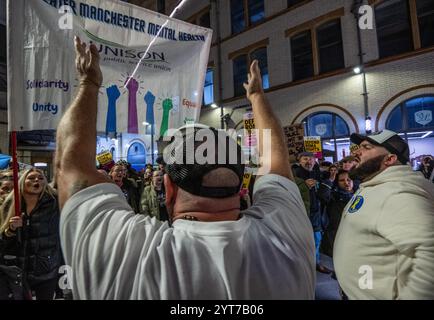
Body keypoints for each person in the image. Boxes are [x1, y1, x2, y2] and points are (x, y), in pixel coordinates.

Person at [55, 37, 315, 299]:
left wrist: (89, 82)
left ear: (169, 189)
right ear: (241, 188)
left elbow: (69, 161)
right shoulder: (287, 235)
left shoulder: (124, 253)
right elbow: (276, 158)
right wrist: (257, 97)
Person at [334, 130, 434, 299]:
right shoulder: (376, 184)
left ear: (389, 159)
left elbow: (429, 250)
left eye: (367, 147)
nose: (356, 152)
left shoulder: (398, 193)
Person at [0, 168, 61, 300]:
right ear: (23, 181)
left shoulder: (54, 203)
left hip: (46, 269)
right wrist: (10, 230)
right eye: (31, 178)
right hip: (17, 271)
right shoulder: (9, 205)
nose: (36, 180)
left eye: (40, 178)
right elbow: (2, 242)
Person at [293, 152, 332, 274]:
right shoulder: (293, 175)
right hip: (299, 212)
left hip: (315, 211)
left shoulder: (317, 174)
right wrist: (304, 185)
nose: (308, 161)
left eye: (311, 159)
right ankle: (301, 265)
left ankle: (316, 263)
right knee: (300, 240)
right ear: (299, 161)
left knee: (316, 239)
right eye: (305, 159)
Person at [318, 170, 354, 257]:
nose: (346, 183)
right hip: (335, 239)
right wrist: (330, 181)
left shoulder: (359, 195)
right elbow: (323, 195)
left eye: (348, 180)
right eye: (342, 180)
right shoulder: (333, 196)